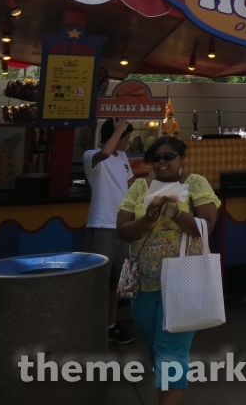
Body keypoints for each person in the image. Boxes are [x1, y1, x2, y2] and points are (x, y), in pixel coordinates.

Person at [116, 137, 220, 402]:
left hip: (184, 282)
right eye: (156, 157)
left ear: (181, 158)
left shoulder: (195, 183)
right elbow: (123, 231)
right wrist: (148, 217)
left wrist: (176, 214)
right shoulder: (139, 187)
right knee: (156, 350)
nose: (162, 162)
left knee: (170, 352)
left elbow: (206, 226)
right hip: (144, 283)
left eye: (168, 156)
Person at [83, 117, 135, 344]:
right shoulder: (91, 155)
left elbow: (129, 184)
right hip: (101, 225)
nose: (128, 142)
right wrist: (119, 129)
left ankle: (111, 326)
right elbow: (105, 152)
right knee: (98, 281)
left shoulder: (122, 157)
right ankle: (93, 327)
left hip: (122, 226)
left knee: (117, 281)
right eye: (126, 137)